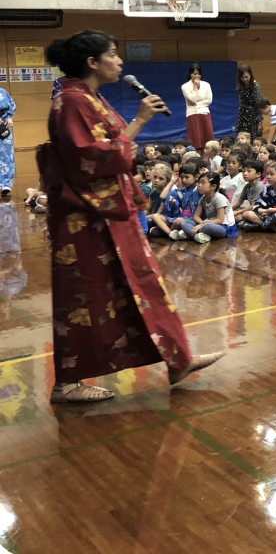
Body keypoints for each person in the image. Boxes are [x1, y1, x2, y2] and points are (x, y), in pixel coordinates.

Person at [41, 30, 222, 403]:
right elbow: (90, 158)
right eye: (112, 54)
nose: (119, 61)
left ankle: (178, 358)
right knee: (87, 296)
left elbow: (112, 149)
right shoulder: (72, 100)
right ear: (92, 63)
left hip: (111, 211)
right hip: (86, 217)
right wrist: (139, 121)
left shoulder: (89, 97)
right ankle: (67, 383)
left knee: (144, 283)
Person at [181, 171, 237, 243]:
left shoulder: (219, 199)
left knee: (207, 227)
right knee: (184, 222)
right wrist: (201, 223)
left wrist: (202, 225)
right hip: (208, 223)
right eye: (199, 183)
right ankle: (198, 236)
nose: (199, 185)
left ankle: (190, 235)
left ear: (213, 186)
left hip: (224, 228)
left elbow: (220, 220)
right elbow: (196, 216)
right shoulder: (203, 198)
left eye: (203, 183)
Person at [181, 63, 214, 150]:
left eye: (198, 74)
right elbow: (193, 100)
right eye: (194, 74)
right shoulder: (185, 86)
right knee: (195, 141)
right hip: (192, 115)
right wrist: (195, 86)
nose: (197, 76)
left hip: (204, 114)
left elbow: (209, 100)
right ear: (190, 74)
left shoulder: (206, 85)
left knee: (207, 143)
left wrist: (197, 105)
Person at [235, 64, 264, 140]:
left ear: (250, 75)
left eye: (246, 77)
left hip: (253, 116)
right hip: (243, 115)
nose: (244, 79)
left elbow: (260, 105)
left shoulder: (256, 86)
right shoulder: (241, 87)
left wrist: (260, 122)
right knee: (241, 137)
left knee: (253, 138)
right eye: (242, 77)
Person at [0, 87, 16, 196]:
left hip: (2, 126)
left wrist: (9, 117)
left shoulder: (2, 92)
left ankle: (5, 184)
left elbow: (11, 106)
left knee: (6, 155)